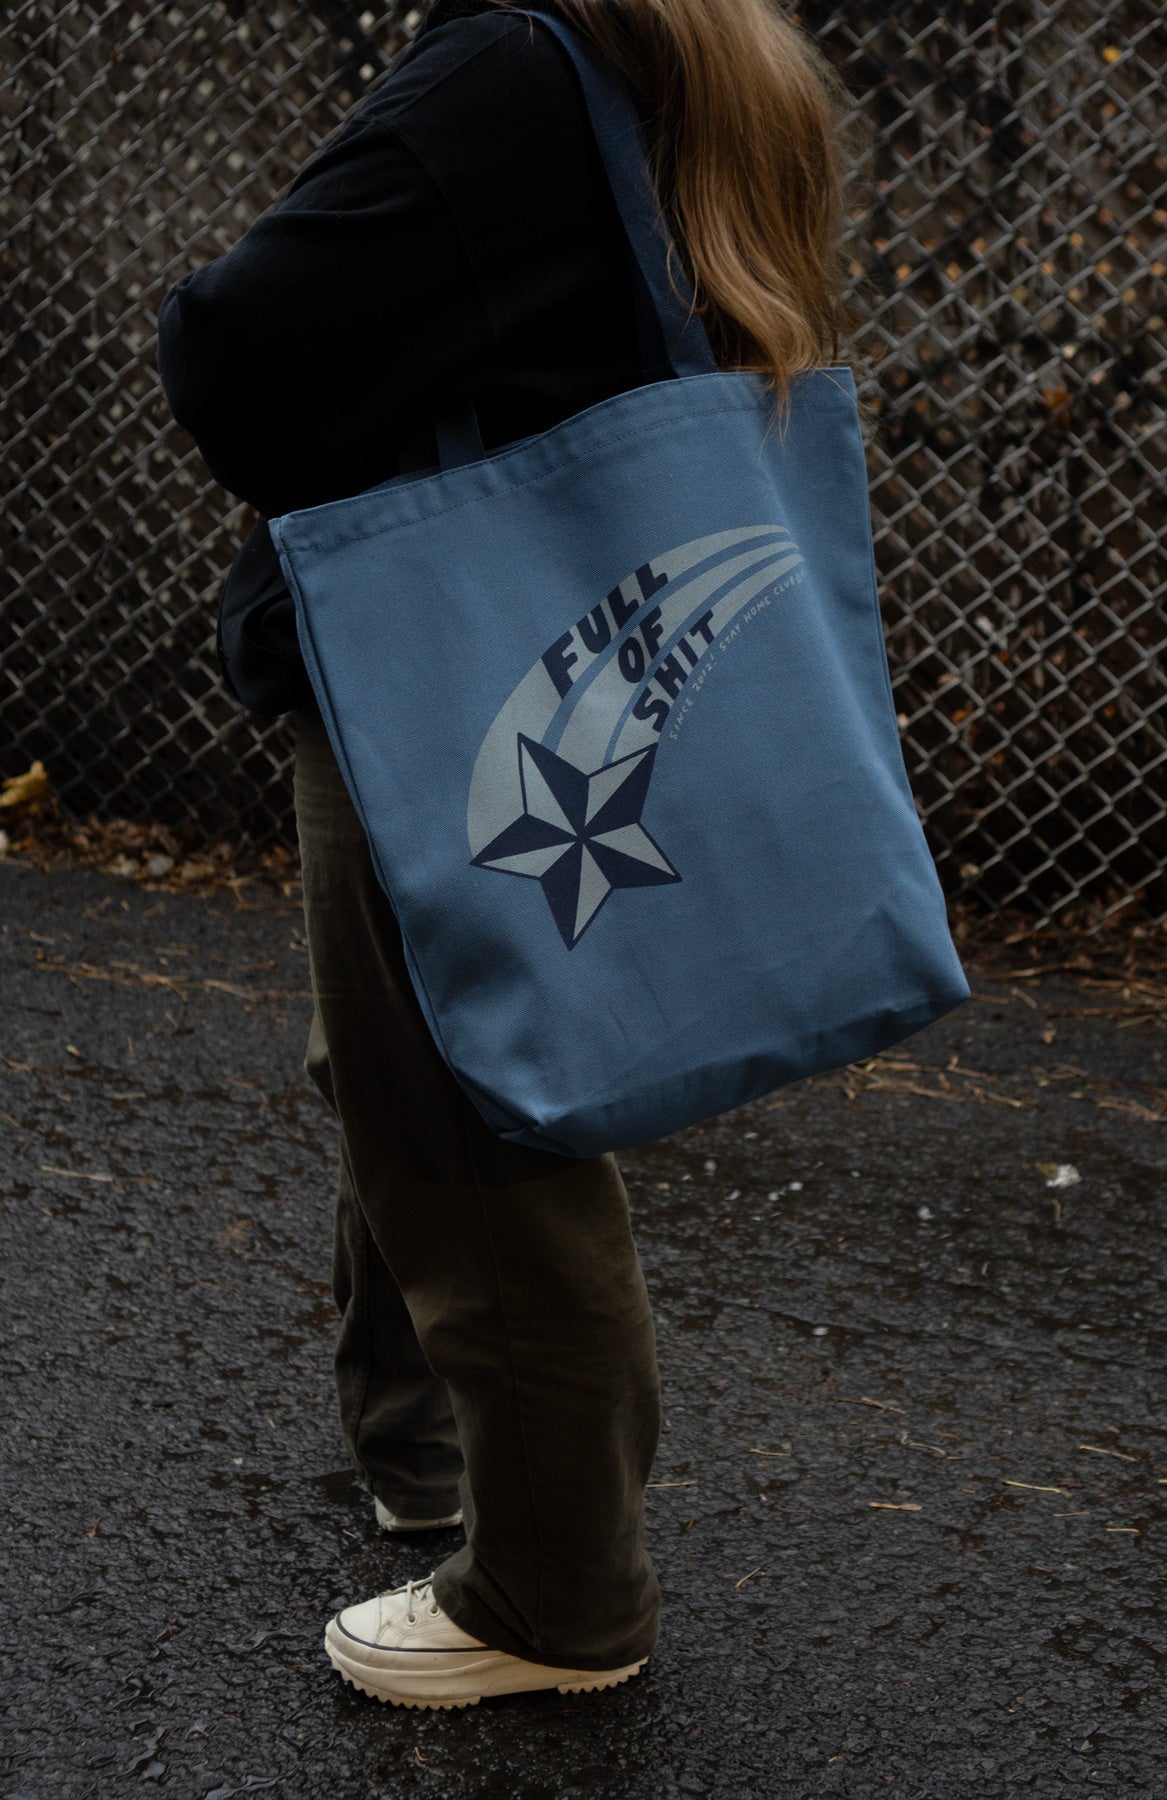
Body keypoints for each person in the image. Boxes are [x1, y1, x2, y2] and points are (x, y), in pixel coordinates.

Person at [156, 0, 854, 1709]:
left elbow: (240, 353)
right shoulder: (725, 56)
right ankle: (426, 1454)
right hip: (583, 652)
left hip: (452, 672)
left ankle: (553, 1594)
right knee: (400, 1067)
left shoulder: (508, 67)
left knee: (465, 1111)